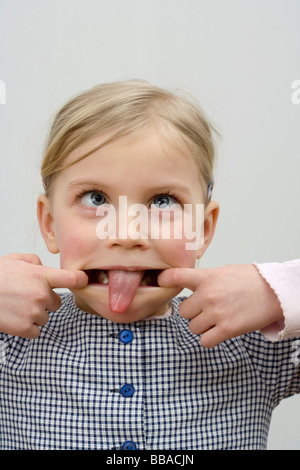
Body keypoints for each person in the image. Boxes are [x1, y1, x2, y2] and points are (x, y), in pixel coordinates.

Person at [0, 80, 299, 450]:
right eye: (96, 198)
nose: (126, 233)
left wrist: (279, 290)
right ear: (50, 224)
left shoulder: (255, 342)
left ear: (203, 229)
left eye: (161, 201)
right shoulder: (9, 343)